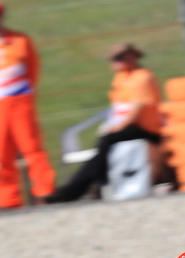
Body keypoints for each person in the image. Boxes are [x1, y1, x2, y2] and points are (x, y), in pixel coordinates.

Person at [45, 42, 162, 203]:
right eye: (114, 59)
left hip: (146, 130)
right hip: (128, 127)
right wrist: (112, 125)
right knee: (104, 145)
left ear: (132, 57)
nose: (114, 63)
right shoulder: (121, 78)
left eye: (118, 58)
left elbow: (136, 110)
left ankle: (87, 187)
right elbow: (118, 107)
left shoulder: (143, 77)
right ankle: (80, 189)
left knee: (107, 140)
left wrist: (117, 127)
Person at [0, 1, 56, 209]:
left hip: (20, 100)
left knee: (32, 147)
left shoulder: (21, 40)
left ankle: (45, 191)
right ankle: (9, 200)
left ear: (1, 16)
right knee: (2, 152)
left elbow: (33, 68)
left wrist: (24, 92)